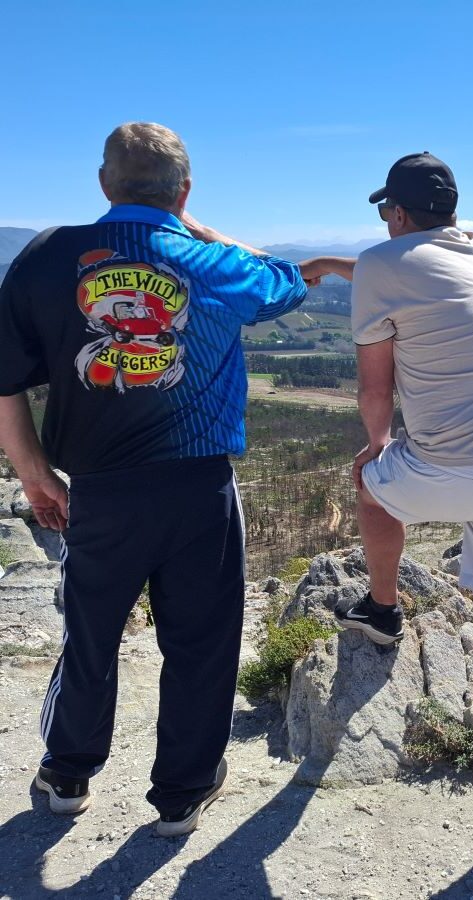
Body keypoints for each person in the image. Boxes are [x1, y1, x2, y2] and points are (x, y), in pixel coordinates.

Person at [0, 122, 309, 835]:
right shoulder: (208, 262)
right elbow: (283, 280)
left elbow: (6, 381)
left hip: (100, 489)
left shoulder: (45, 256)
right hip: (200, 489)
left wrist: (35, 474)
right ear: (185, 190)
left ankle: (68, 772)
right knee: (200, 641)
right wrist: (194, 226)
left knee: (90, 635)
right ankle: (183, 792)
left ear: (103, 184)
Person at [300, 152, 473, 858]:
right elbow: (415, 273)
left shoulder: (384, 262)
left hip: (445, 471)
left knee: (372, 484)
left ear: (395, 213)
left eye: (386, 212)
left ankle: (383, 608)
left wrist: (377, 443)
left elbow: (374, 389)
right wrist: (337, 263)